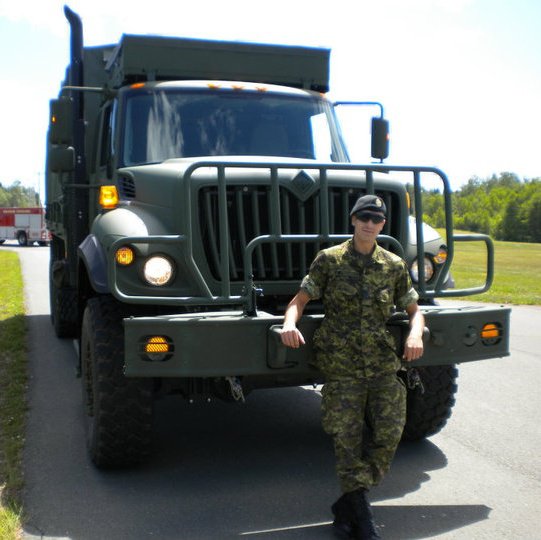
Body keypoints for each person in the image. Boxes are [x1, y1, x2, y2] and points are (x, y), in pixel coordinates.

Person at [280, 195, 424, 540]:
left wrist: (415, 334)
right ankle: (364, 519)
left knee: (389, 434)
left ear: (382, 224)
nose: (369, 224)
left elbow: (415, 310)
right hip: (341, 364)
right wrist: (288, 324)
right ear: (353, 219)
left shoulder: (393, 265)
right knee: (346, 440)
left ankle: (345, 506)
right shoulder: (329, 260)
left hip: (381, 363)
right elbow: (299, 301)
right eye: (364, 217)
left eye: (376, 219)